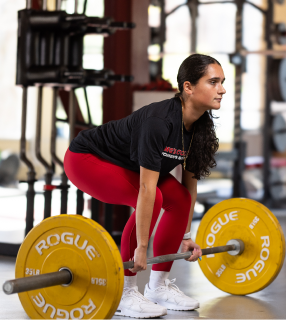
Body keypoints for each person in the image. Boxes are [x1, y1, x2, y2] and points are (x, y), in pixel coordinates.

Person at [64, 54, 226, 318]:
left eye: (222, 82)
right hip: (87, 159)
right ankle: (125, 291)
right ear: (188, 87)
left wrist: (185, 236)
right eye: (213, 82)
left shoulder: (200, 127)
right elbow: (148, 191)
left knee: (180, 199)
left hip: (128, 165)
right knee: (156, 197)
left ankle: (158, 287)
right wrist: (141, 247)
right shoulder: (159, 122)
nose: (222, 89)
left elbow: (190, 186)